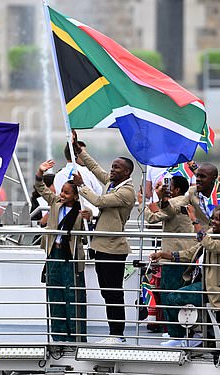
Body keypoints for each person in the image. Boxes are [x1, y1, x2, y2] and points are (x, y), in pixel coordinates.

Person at [72, 132, 136, 345]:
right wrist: (80, 151)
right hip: (101, 246)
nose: (112, 169)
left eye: (117, 167)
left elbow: (99, 201)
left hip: (113, 249)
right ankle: (114, 333)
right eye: (113, 166)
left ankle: (117, 334)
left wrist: (81, 186)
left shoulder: (126, 191)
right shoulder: (113, 183)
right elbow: (96, 168)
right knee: (107, 291)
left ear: (127, 172)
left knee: (113, 292)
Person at [151, 204, 220, 347]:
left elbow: (212, 245)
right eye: (212, 218)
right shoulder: (211, 233)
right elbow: (190, 253)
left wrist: (194, 219)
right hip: (202, 282)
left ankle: (180, 336)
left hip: (215, 289)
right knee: (169, 292)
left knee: (174, 298)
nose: (213, 221)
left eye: (218, 219)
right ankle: (195, 334)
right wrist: (164, 255)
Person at [35, 159, 91, 342]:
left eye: (67, 193)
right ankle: (59, 336)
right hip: (54, 253)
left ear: (76, 196)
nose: (62, 195)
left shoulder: (82, 210)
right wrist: (40, 172)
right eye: (62, 192)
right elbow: (40, 187)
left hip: (72, 256)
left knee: (74, 295)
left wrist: (88, 218)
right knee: (55, 294)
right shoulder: (55, 203)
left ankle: (77, 335)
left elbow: (86, 234)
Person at [139, 175, 196, 316]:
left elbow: (152, 218)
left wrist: (142, 203)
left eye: (169, 187)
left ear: (176, 189)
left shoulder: (176, 203)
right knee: (180, 292)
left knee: (169, 291)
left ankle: (173, 330)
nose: (167, 190)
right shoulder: (183, 201)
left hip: (174, 256)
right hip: (185, 253)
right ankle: (180, 327)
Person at [54, 144, 103, 217]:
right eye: (83, 154)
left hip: (65, 215)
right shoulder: (87, 172)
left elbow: (59, 196)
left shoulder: (58, 175)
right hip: (88, 215)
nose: (86, 157)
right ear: (76, 156)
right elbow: (98, 192)